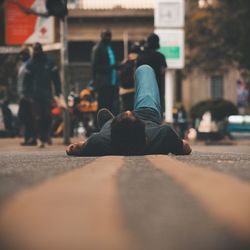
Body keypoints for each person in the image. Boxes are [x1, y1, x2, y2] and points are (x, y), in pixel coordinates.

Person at [66, 65, 191, 156]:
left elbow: (78, 147)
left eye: (123, 115)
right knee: (145, 69)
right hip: (147, 114)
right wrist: (180, 143)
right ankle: (109, 121)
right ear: (144, 134)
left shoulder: (99, 141)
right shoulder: (163, 134)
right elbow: (186, 148)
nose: (128, 111)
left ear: (112, 135)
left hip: (111, 129)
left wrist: (77, 147)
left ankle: (108, 122)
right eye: (131, 115)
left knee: (105, 119)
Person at [23, 42, 62, 147]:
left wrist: (58, 91)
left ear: (41, 50)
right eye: (35, 50)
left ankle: (46, 136)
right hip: (34, 95)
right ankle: (41, 138)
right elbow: (26, 80)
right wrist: (26, 93)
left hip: (47, 94)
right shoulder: (30, 64)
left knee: (48, 116)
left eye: (38, 49)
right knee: (38, 117)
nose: (36, 52)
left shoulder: (49, 62)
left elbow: (56, 78)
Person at [136, 33, 167, 117]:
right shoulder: (160, 57)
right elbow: (162, 72)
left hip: (142, 92)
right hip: (157, 92)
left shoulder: (140, 56)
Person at [91, 29, 119, 115]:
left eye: (109, 36)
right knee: (103, 107)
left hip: (112, 83)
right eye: (106, 36)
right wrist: (112, 67)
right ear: (102, 37)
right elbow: (95, 67)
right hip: (103, 83)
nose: (108, 38)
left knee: (111, 107)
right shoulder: (98, 49)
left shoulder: (109, 48)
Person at [17, 46, 37, 145]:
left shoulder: (30, 64)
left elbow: (32, 81)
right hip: (23, 95)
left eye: (23, 54)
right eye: (20, 54)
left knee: (28, 117)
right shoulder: (22, 65)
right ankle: (28, 138)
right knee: (23, 116)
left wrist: (30, 94)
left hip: (28, 96)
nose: (21, 56)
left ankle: (32, 138)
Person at [118, 42, 141, 111]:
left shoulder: (125, 61)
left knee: (125, 111)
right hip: (134, 91)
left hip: (123, 91)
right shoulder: (139, 60)